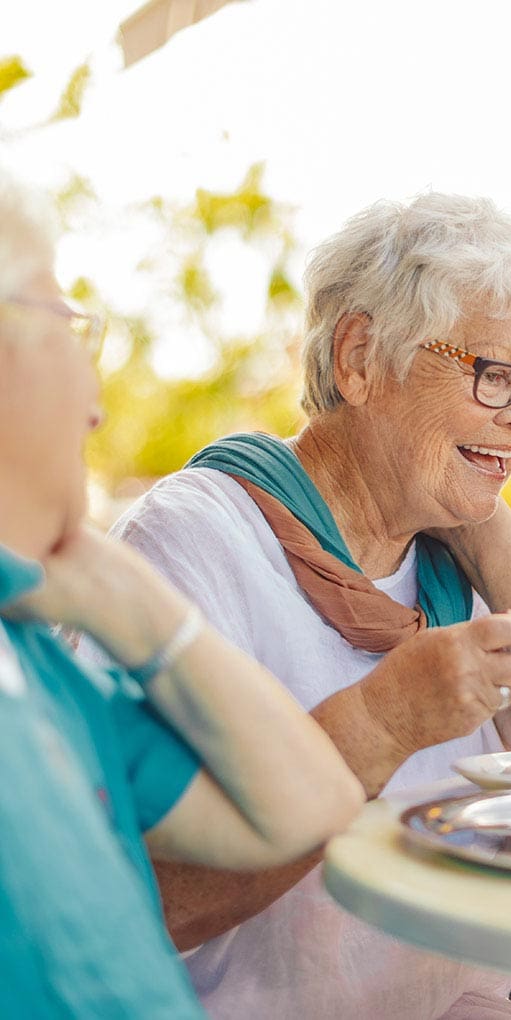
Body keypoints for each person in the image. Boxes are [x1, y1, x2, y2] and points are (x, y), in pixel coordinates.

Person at [100, 194, 511, 1019]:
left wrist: (477, 501)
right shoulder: (194, 544)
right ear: (362, 357)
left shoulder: (447, 553)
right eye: (496, 375)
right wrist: (384, 722)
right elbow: (139, 895)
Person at [0, 173, 364, 1014]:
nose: (96, 409)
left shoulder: (42, 660)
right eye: (70, 327)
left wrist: (134, 601)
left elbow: (312, 807)